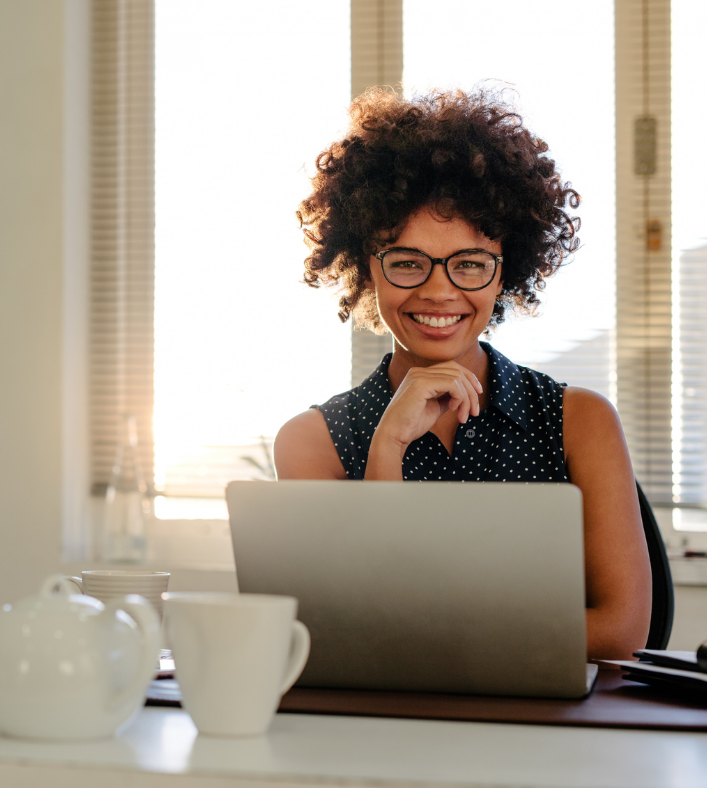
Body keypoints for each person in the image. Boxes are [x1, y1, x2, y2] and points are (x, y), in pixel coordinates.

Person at [274, 86, 651, 660]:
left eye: (470, 264)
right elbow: (347, 623)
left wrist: (432, 634)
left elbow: (622, 630)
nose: (439, 290)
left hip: (548, 729)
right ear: (366, 268)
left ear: (506, 272)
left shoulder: (581, 421)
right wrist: (388, 449)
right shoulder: (311, 442)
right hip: (386, 731)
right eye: (406, 262)